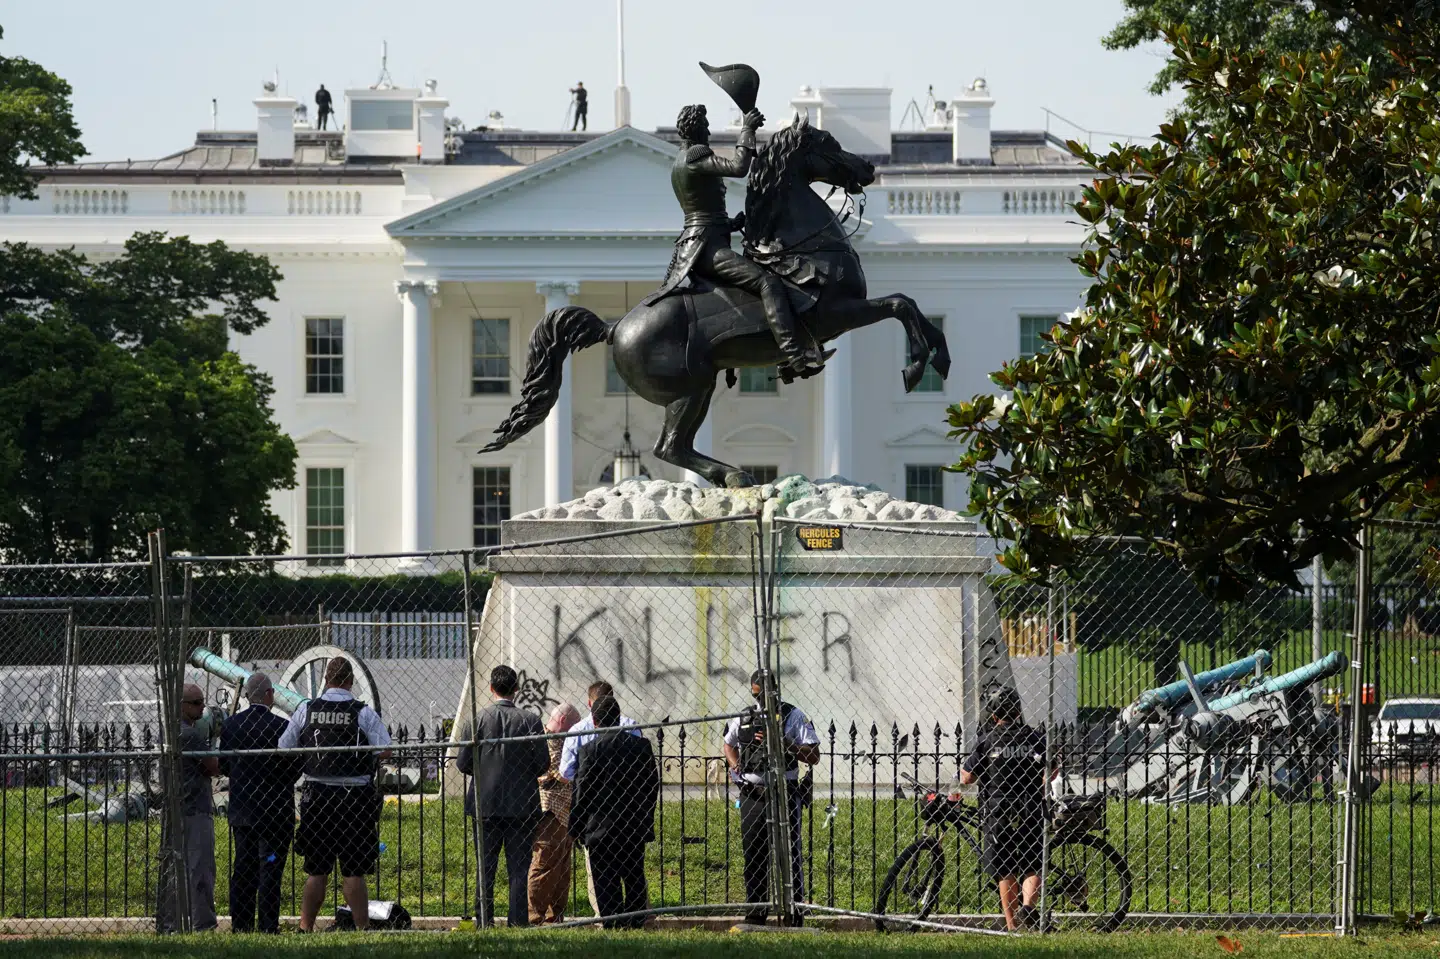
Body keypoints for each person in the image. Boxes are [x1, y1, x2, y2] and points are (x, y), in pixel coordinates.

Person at [639, 102, 826, 378]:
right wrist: (747, 129)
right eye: (705, 126)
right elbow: (739, 167)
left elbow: (699, 211)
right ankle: (792, 355)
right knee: (767, 282)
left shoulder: (679, 162)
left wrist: (730, 224)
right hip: (708, 249)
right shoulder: (695, 155)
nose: (708, 131)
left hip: (699, 243)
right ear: (697, 129)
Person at [279, 656, 391, 933]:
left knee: (317, 868)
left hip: (317, 795)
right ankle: (362, 927)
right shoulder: (363, 712)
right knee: (354, 868)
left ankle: (305, 927)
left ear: (326, 680)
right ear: (351, 681)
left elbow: (284, 745)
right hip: (354, 798)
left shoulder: (306, 709)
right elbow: (385, 750)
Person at [722, 670, 819, 926]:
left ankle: (793, 913)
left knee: (788, 854)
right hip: (753, 794)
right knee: (753, 854)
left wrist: (784, 744)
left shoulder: (793, 715)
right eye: (755, 696)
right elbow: (728, 744)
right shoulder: (744, 716)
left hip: (784, 792)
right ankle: (756, 913)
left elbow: (814, 755)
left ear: (774, 691)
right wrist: (735, 766)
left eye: (763, 695)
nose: (759, 702)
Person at [456, 665, 550, 927]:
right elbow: (542, 763)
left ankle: (484, 920)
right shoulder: (530, 721)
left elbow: (462, 763)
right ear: (516, 689)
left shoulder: (477, 720)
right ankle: (518, 921)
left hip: (484, 803)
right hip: (521, 805)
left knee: (485, 867)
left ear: (491, 688)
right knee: (519, 868)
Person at [960, 685, 1047, 932]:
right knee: (1032, 862)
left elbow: (966, 777)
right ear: (1018, 711)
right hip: (1030, 806)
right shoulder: (1034, 738)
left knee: (1005, 867)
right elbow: (1052, 769)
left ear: (994, 714)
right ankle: (1028, 906)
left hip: (998, 810)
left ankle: (1012, 926)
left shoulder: (988, 740)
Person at [220, 673, 302, 934]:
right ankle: (268, 925)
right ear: (269, 695)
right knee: (270, 869)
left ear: (247, 696)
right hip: (276, 811)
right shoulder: (281, 727)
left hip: (243, 810)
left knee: (243, 869)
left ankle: (241, 924)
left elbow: (224, 765)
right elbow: (296, 766)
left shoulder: (232, 725)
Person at [568, 695, 659, 929]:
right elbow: (651, 785)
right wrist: (645, 814)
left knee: (604, 879)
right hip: (633, 825)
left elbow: (582, 792)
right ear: (619, 718)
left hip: (600, 827)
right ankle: (636, 919)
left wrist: (575, 826)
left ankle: (612, 920)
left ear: (595, 722)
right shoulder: (641, 747)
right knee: (634, 875)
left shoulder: (590, 750)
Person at [159, 683, 220, 932]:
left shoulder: (171, 732)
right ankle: (202, 924)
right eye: (196, 703)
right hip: (196, 808)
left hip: (176, 808)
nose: (202, 706)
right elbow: (213, 767)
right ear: (182, 706)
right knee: (201, 870)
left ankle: (171, 923)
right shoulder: (191, 735)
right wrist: (214, 742)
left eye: (202, 701)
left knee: (174, 870)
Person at [529, 702, 582, 924]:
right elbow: (558, 773)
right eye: (574, 725)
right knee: (545, 864)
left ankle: (555, 915)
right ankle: (533, 916)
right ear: (563, 722)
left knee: (561, 868)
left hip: (565, 812)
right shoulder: (549, 741)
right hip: (550, 811)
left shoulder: (560, 741)